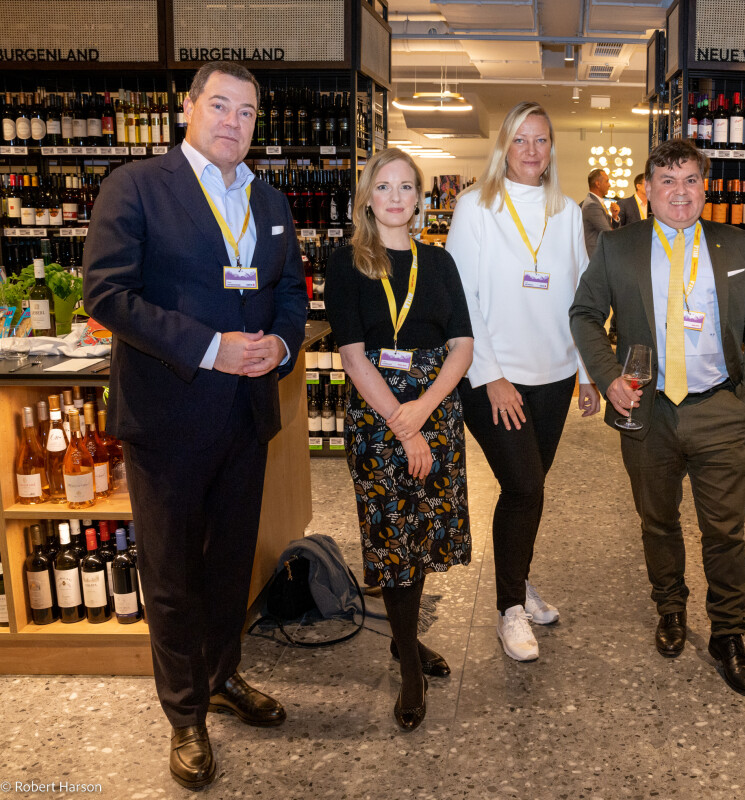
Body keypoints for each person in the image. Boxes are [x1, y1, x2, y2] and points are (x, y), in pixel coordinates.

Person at [82, 62, 308, 789]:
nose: (233, 122)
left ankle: (221, 677)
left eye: (246, 113)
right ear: (187, 109)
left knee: (228, 566)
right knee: (173, 575)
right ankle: (185, 718)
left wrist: (280, 343)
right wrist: (211, 348)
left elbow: (289, 298)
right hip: (169, 419)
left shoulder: (269, 201)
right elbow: (106, 293)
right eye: (220, 106)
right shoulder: (138, 186)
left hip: (245, 419)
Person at [570, 138, 745, 697]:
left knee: (725, 531)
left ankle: (729, 633)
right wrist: (609, 376)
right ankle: (670, 608)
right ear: (649, 189)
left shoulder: (738, 246)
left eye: (689, 181)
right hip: (648, 410)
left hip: (720, 409)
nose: (679, 192)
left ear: (704, 187)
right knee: (656, 520)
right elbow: (585, 314)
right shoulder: (620, 248)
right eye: (667, 181)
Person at [445, 101, 600, 663]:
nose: (532, 150)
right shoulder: (475, 207)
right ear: (504, 147)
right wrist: (492, 378)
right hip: (495, 380)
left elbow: (581, 296)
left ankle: (518, 580)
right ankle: (510, 608)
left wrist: (586, 372)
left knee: (529, 493)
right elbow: (462, 301)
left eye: (541, 140)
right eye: (521, 140)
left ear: (551, 148)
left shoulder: (564, 211)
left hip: (555, 375)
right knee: (524, 488)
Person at [324, 149, 473, 732]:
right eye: (383, 186)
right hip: (378, 411)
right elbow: (354, 356)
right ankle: (409, 663)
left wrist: (422, 412)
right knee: (394, 540)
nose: (394, 197)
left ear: (419, 198)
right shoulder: (347, 262)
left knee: (426, 533)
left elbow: (461, 347)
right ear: (367, 196)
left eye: (405, 187)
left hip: (434, 405)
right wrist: (400, 421)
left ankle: (402, 639)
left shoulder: (440, 264)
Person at [581, 167, 616, 255]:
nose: (609, 185)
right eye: (607, 181)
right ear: (598, 184)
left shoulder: (597, 202)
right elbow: (607, 232)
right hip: (595, 256)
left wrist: (614, 216)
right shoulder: (592, 205)